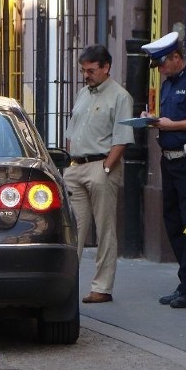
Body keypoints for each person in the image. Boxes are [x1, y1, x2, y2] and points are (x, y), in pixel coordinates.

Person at [141, 31, 186, 308]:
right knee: (173, 221)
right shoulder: (170, 84)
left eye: (161, 64)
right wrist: (152, 120)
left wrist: (171, 125)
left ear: (175, 57)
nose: (159, 70)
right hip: (170, 159)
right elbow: (170, 118)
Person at [63, 44, 134, 303]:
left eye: (91, 70)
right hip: (76, 167)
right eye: (83, 70)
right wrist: (71, 157)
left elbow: (122, 138)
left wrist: (106, 168)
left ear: (106, 68)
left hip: (101, 165)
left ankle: (102, 287)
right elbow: (72, 129)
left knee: (104, 229)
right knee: (71, 229)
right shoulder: (83, 93)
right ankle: (65, 283)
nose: (86, 75)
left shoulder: (120, 96)